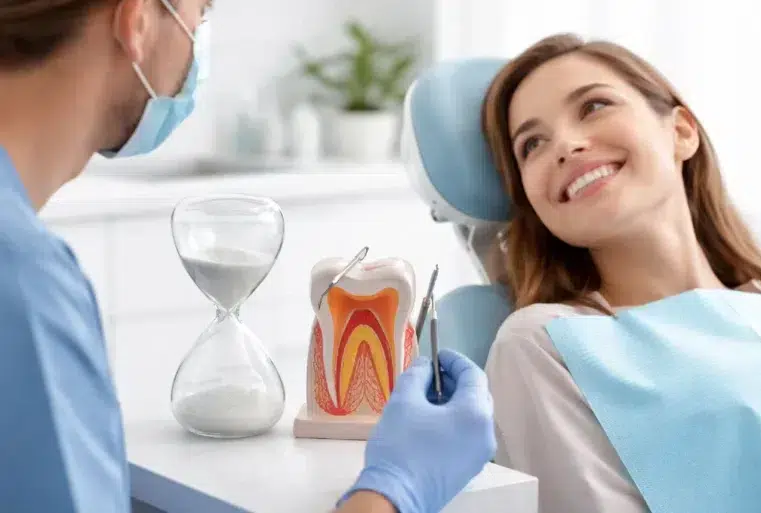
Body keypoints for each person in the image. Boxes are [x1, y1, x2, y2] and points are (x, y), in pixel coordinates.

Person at [0, 1, 496, 512]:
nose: (199, 44)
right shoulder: (25, 284)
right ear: (138, 21)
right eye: (200, 13)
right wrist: (394, 490)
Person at [478, 33, 761, 513]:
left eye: (593, 106)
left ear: (681, 132)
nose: (566, 146)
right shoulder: (547, 344)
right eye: (532, 144)